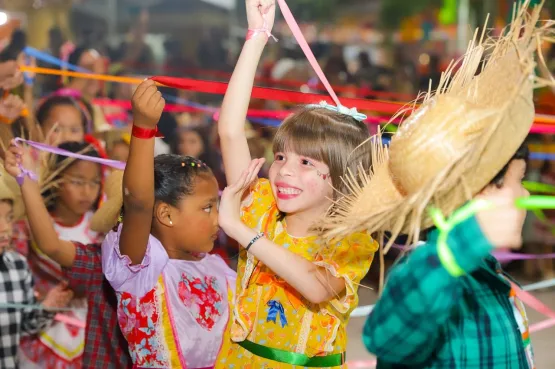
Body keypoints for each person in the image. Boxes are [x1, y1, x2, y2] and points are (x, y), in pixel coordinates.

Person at [321, 3, 551, 368]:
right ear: (472, 194)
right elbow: (384, 335)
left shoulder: (489, 274)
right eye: (514, 182)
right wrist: (462, 245)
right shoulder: (425, 269)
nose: (523, 194)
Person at [215, 1, 378, 368]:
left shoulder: (349, 239)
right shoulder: (259, 207)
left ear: (342, 178)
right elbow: (229, 130)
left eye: (306, 163)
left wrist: (240, 230)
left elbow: (317, 287)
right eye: (282, 157)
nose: (285, 171)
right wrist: (257, 37)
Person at [101, 80, 236, 368]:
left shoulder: (218, 269)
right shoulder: (143, 270)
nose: (218, 218)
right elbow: (137, 202)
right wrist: (144, 127)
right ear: (166, 214)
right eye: (207, 208)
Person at [3, 143, 132, 369]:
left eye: (94, 183)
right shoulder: (29, 228)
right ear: (55, 179)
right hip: (44, 332)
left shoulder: (104, 230)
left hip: (92, 330)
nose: (87, 191)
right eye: (78, 182)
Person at [0, 172, 74, 369]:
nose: (5, 227)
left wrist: (47, 307)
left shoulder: (17, 266)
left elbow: (25, 326)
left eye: (8, 218)